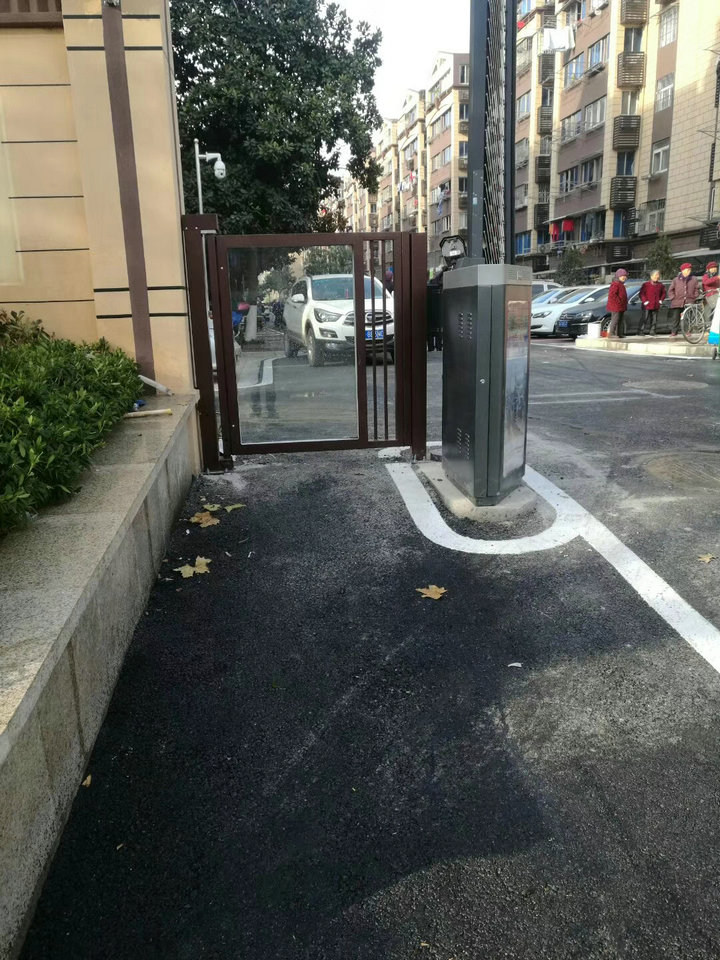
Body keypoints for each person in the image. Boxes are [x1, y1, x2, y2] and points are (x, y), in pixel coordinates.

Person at [667, 263, 699, 337]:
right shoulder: (676, 279)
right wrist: (673, 298)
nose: (689, 271)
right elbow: (670, 290)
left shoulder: (694, 279)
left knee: (688, 318)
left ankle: (687, 331)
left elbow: (697, 289)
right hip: (677, 301)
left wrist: (695, 296)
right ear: (682, 270)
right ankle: (674, 332)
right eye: (687, 270)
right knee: (676, 318)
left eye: (690, 270)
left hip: (689, 301)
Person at [638, 269, 666, 336]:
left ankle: (652, 331)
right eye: (655, 275)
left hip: (656, 305)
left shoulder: (660, 285)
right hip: (647, 305)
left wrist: (661, 300)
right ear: (651, 276)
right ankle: (640, 331)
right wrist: (645, 301)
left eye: (658, 275)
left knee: (654, 319)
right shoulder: (646, 284)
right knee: (644, 318)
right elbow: (641, 294)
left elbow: (664, 293)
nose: (657, 276)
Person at [607, 268, 629, 338]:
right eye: (622, 276)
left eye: (625, 276)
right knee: (615, 319)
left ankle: (619, 333)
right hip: (616, 306)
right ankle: (611, 334)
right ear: (618, 276)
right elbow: (613, 295)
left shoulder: (621, 284)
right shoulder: (615, 284)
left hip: (621, 306)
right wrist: (619, 302)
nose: (624, 277)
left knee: (620, 320)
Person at [702, 261, 719, 327]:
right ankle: (708, 325)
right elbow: (706, 282)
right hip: (709, 296)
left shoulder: (716, 276)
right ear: (708, 269)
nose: (714, 269)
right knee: (710, 311)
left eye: (715, 267)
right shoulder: (706, 276)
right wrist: (716, 278)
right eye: (712, 268)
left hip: (716, 296)